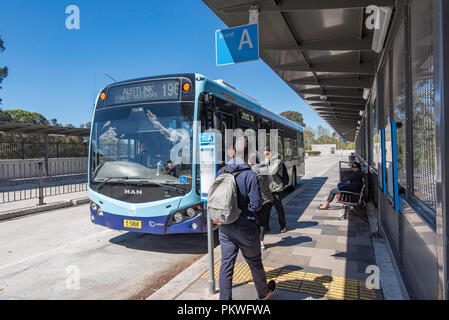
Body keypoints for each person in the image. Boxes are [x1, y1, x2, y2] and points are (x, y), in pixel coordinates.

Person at [217, 138, 276, 300]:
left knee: (226, 265)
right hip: (246, 227)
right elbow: (257, 204)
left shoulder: (222, 172)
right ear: (249, 154)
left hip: (226, 227)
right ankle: (263, 293)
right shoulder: (250, 175)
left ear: (232, 152)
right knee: (254, 262)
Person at [248, 152, 273, 251]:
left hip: (259, 200)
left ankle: (254, 242)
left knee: (255, 222)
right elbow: (271, 181)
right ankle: (261, 242)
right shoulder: (265, 168)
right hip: (268, 199)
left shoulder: (253, 170)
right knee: (263, 222)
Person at [264, 146, 287, 233]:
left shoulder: (278, 161)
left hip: (277, 188)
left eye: (267, 154)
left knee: (278, 208)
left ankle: (283, 226)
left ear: (271, 153)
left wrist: (266, 163)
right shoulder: (269, 161)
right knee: (267, 208)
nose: (266, 156)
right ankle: (266, 226)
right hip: (269, 188)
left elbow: (271, 172)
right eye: (265, 154)